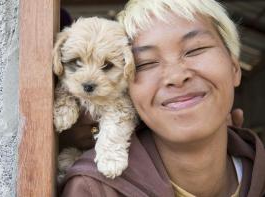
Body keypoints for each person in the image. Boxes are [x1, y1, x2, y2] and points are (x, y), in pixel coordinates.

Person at [58, 0, 265, 196]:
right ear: (126, 86)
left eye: (195, 50)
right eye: (145, 63)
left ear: (235, 68)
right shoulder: (91, 190)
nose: (176, 77)